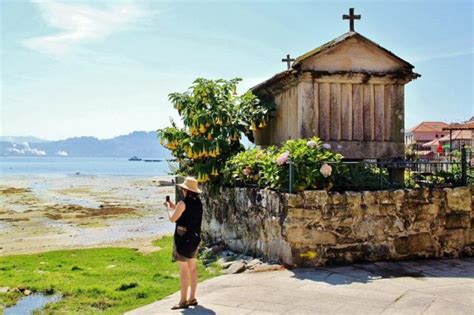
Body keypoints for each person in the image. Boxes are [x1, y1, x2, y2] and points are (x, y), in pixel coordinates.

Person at [164, 176, 203, 310]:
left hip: (182, 240)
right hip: (194, 239)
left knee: (183, 271)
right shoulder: (198, 202)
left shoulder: (183, 203)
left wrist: (169, 208)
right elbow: (185, 215)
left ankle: (183, 301)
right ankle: (192, 298)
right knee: (192, 269)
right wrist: (174, 207)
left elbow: (173, 218)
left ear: (185, 190)